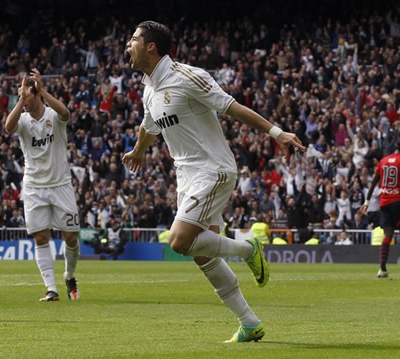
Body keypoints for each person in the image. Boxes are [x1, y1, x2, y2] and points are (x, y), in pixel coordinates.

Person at [122, 21, 305, 343]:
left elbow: (233, 108)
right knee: (202, 253)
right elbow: (149, 125)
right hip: (186, 176)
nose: (128, 45)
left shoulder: (187, 76)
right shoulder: (149, 87)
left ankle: (248, 248)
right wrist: (138, 152)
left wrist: (278, 134)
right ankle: (249, 323)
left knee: (179, 241)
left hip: (213, 169)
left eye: (134, 39)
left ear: (151, 46)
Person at [5, 68, 80, 302]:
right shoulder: (23, 120)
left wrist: (42, 90)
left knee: (70, 237)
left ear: (37, 95)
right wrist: (21, 100)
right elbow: (8, 127)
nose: (24, 101)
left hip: (60, 184)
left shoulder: (53, 117)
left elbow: (66, 113)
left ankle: (69, 275)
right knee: (40, 237)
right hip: (34, 187)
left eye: (27, 96)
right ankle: (51, 289)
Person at [359, 138, 400, 279]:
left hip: (385, 203)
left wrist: (367, 201)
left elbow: (373, 183)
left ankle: (382, 269)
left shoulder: (383, 161)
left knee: (388, 235)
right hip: (399, 202)